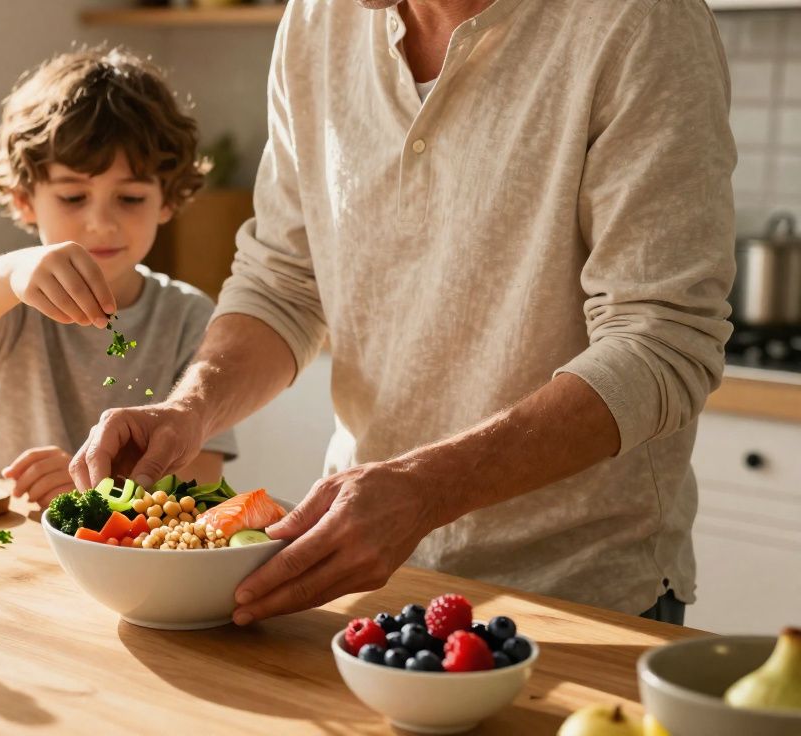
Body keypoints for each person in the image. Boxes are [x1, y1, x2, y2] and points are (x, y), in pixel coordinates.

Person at [70, 0, 735, 627]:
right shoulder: (318, 20)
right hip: (367, 580)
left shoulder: (638, 21)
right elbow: (284, 281)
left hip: (576, 591)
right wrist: (193, 409)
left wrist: (424, 489)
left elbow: (662, 340)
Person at [0, 46, 237, 507]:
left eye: (129, 199)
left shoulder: (189, 315)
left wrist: (98, 492)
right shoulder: (13, 299)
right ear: (25, 199)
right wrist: (11, 273)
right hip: (6, 539)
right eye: (72, 197)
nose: (101, 223)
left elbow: (202, 478)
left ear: (167, 200)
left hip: (130, 555)